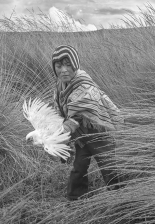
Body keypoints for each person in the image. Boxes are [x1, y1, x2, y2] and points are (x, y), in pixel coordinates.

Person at [51, 45, 123, 201]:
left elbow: (77, 116)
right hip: (81, 136)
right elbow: (58, 110)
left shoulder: (84, 85)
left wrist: (61, 133)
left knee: (108, 165)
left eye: (68, 65)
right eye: (59, 66)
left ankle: (119, 197)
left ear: (75, 65)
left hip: (99, 134)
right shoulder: (59, 87)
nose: (63, 70)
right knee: (79, 167)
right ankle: (75, 198)